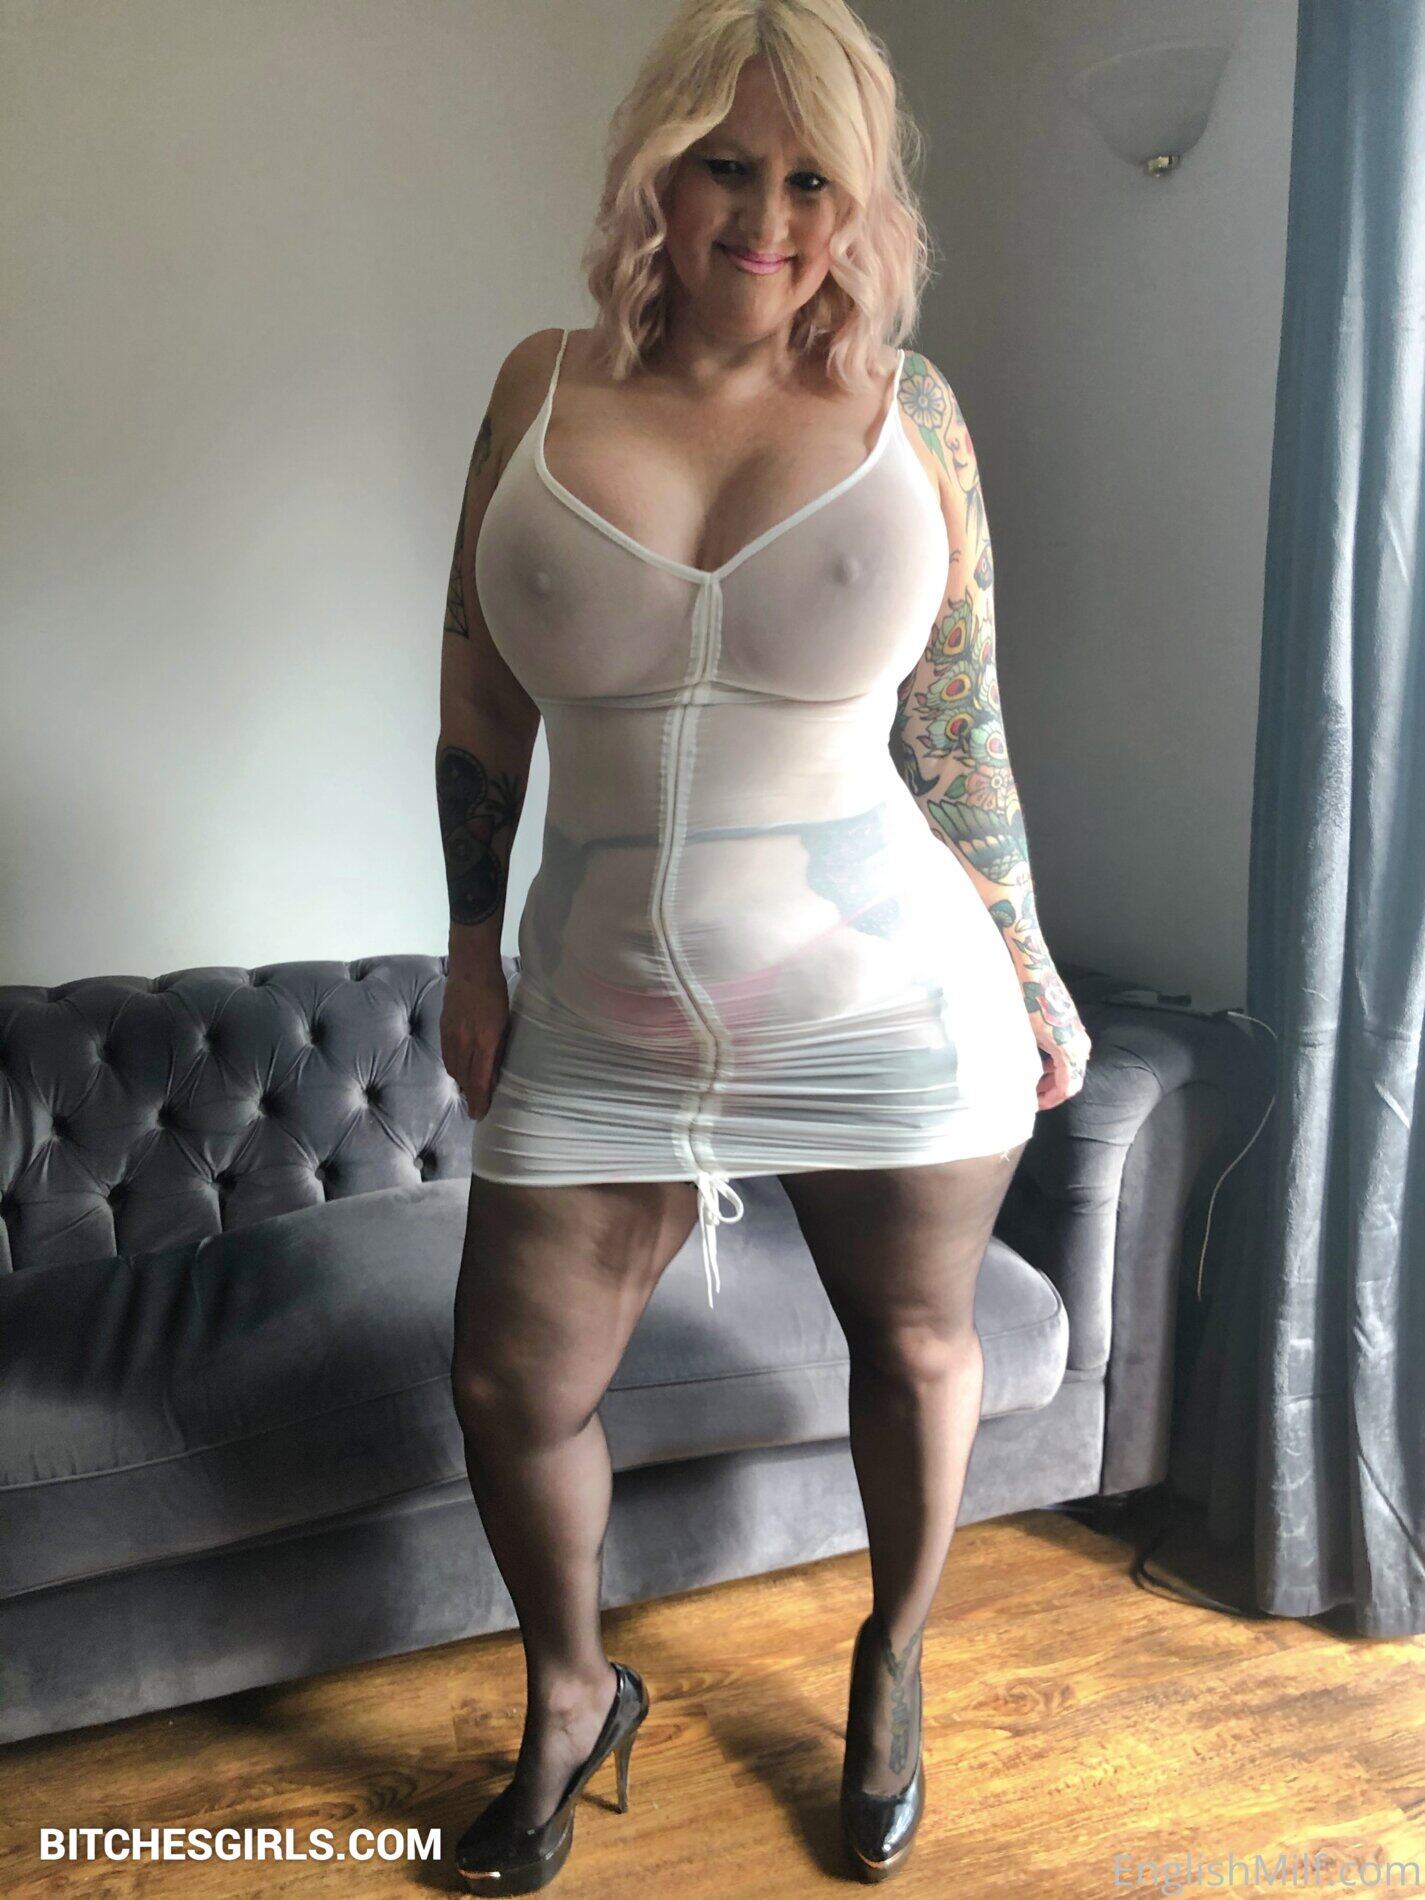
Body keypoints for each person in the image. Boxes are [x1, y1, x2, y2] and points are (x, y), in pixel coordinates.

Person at [436, 0, 1090, 1887]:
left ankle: (891, 1661)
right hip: (599, 1010)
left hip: (885, 996)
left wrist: (1029, 962)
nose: (768, 217)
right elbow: (479, 691)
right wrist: (467, 943)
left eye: (815, 180)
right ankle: (574, 1693)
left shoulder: (913, 411)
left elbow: (956, 726)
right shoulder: (537, 386)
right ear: (654, 170)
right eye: (727, 165)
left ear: (862, 202)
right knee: (511, 1384)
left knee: (916, 1344)